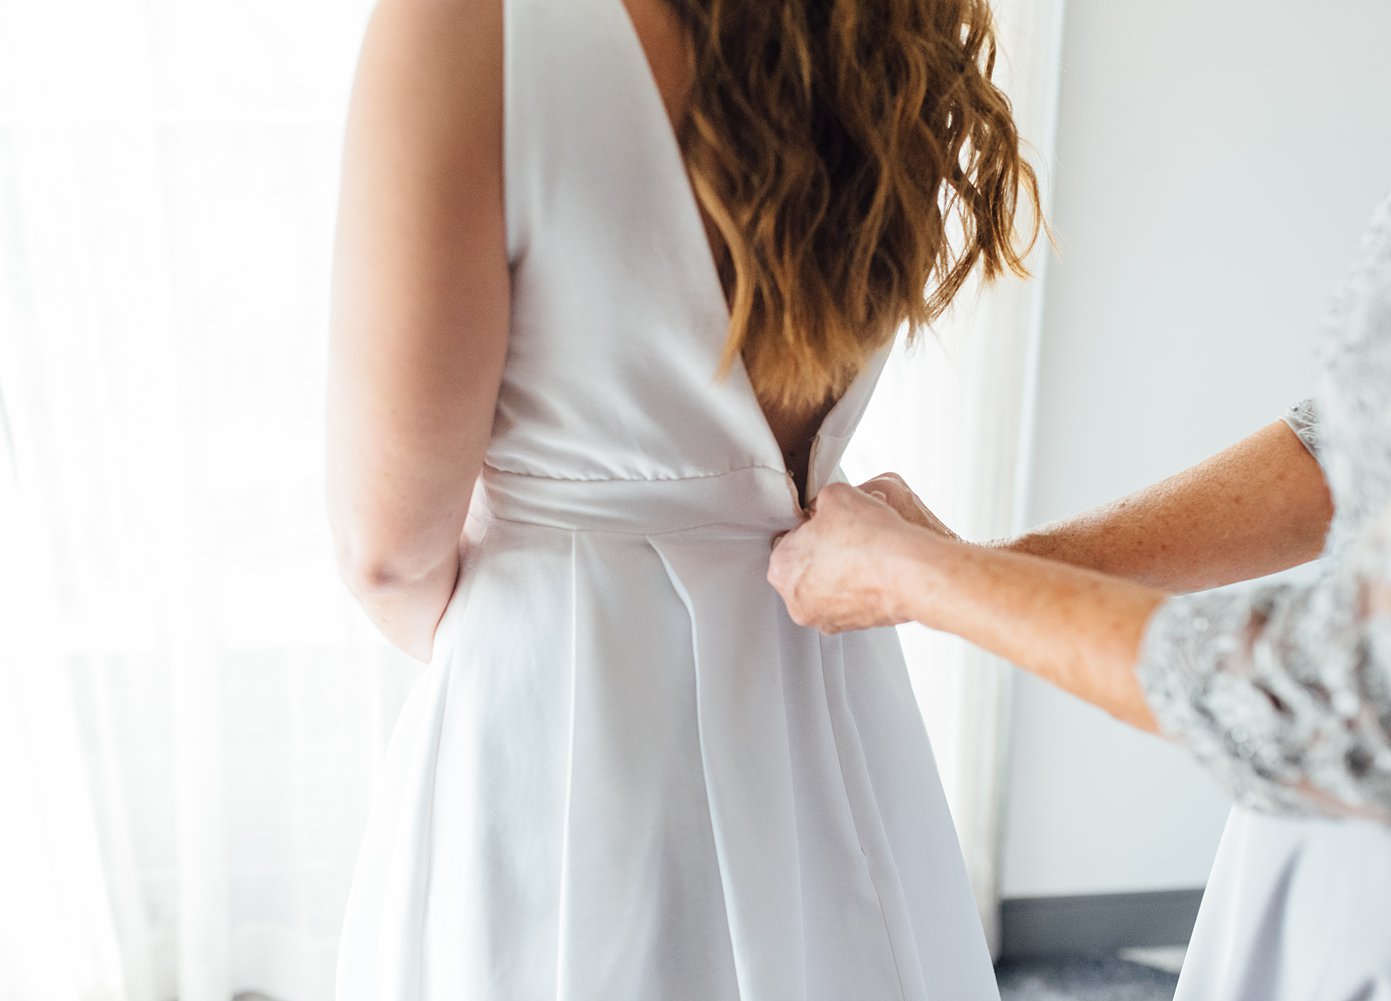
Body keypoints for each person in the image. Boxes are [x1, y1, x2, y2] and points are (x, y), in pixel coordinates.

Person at [322, 0, 1041, 996]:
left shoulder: (466, 22)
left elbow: (386, 550)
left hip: (563, 700)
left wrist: (525, 646)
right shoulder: (886, 20)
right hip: (816, 672)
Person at [769, 90, 1391, 998]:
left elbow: (1349, 700)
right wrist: (1007, 558)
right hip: (1312, 852)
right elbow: (1360, 443)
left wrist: (927, 579)